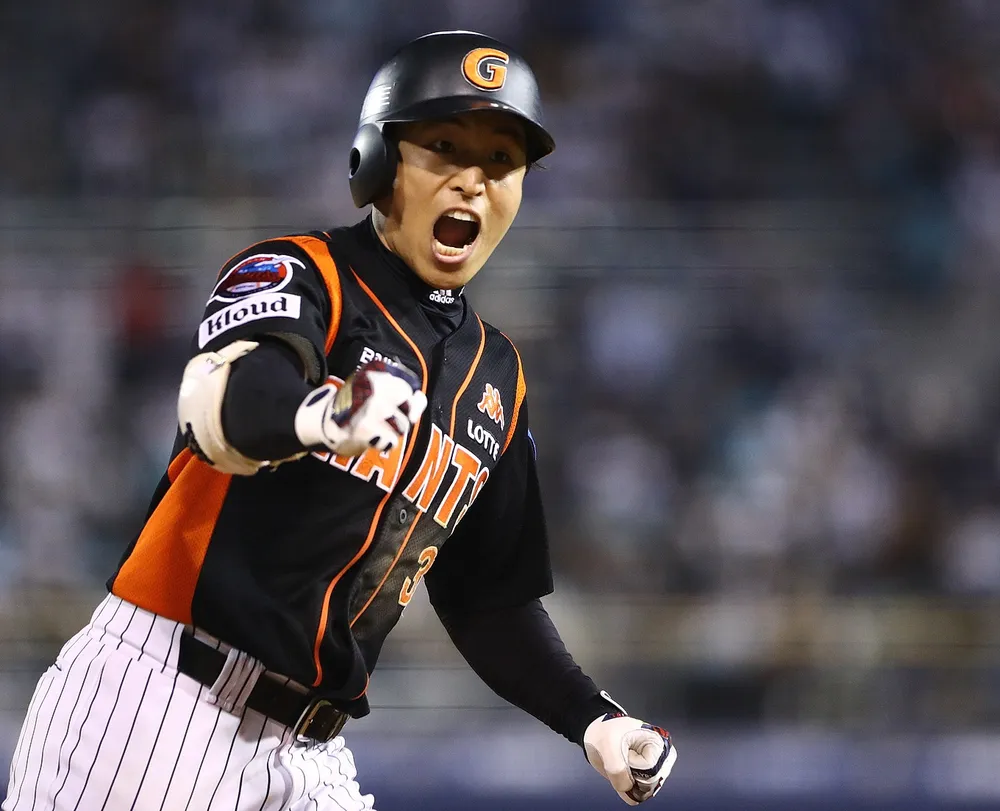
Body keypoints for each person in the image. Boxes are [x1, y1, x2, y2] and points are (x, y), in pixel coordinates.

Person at [3, 30, 676, 811]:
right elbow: (225, 406)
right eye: (444, 148)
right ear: (378, 161)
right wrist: (323, 412)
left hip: (310, 750)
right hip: (160, 704)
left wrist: (592, 717)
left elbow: (487, 598)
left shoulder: (498, 374)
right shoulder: (304, 273)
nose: (472, 180)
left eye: (500, 160)